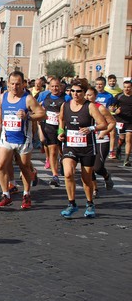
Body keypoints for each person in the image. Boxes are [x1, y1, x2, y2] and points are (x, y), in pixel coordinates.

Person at [0, 71, 46, 209]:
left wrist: (28, 116)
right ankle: (6, 195)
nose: (15, 87)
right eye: (12, 84)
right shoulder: (3, 96)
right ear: (8, 84)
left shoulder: (28, 99)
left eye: (18, 84)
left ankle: (26, 194)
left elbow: (42, 114)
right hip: (7, 137)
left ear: (23, 84)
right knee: (1, 165)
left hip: (23, 139)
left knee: (24, 167)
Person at [58, 80, 107, 219]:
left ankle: (90, 203)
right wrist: (60, 132)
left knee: (87, 178)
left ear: (84, 93)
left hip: (87, 147)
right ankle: (71, 203)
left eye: (78, 91)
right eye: (72, 91)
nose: (74, 94)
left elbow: (103, 124)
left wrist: (91, 128)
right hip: (70, 145)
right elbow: (61, 119)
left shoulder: (90, 106)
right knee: (68, 173)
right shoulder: (65, 105)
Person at [39, 77, 70, 188]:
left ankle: (62, 162)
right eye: (52, 86)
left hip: (63, 128)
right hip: (49, 127)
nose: (55, 88)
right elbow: (39, 108)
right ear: (49, 87)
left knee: (62, 151)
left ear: (61, 87)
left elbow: (72, 110)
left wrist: (63, 115)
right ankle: (55, 175)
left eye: (57, 86)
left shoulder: (66, 98)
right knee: (53, 151)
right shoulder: (44, 96)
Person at [85, 87, 116, 197]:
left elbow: (112, 122)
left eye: (90, 95)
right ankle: (95, 188)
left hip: (101, 140)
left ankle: (106, 176)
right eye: (86, 95)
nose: (87, 97)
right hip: (88, 140)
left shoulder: (101, 108)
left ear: (95, 96)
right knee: (88, 167)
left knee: (97, 167)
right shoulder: (83, 107)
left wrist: (104, 132)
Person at [114, 79, 132, 166]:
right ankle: (118, 147)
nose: (126, 89)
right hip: (120, 120)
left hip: (130, 122)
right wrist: (115, 111)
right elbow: (111, 107)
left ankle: (126, 159)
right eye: (125, 87)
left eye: (128, 87)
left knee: (129, 139)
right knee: (122, 139)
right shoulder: (119, 96)